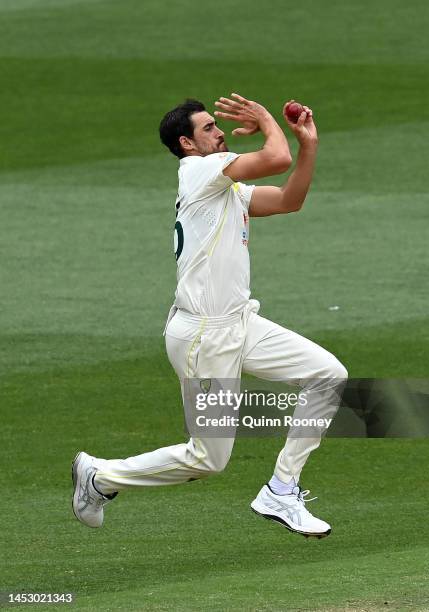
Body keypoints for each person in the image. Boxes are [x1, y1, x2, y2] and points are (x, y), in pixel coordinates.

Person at [72, 93, 348, 538]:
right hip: (204, 337)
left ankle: (282, 488)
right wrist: (265, 119)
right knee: (208, 459)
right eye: (208, 129)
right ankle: (100, 477)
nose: (219, 131)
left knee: (328, 376)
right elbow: (276, 157)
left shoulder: (226, 187)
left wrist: (309, 146)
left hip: (241, 322)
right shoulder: (199, 172)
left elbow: (288, 200)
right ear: (187, 144)